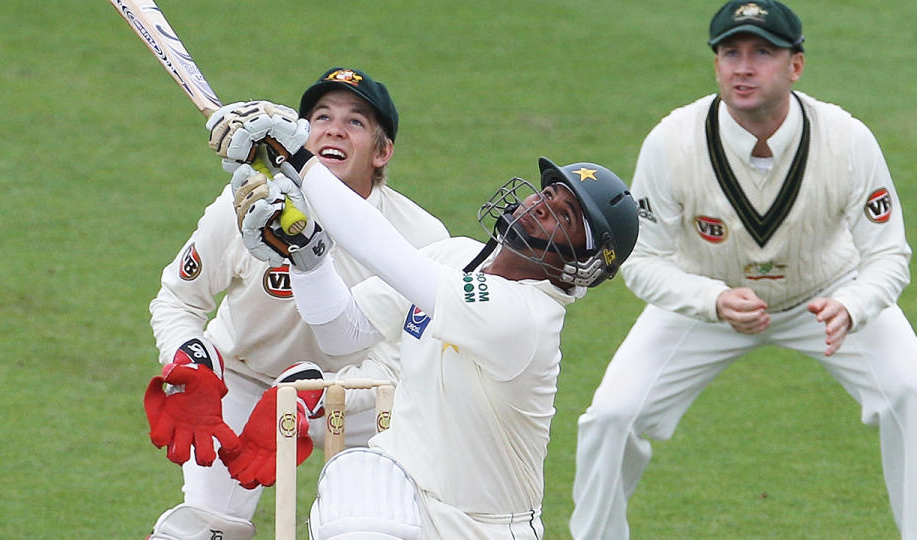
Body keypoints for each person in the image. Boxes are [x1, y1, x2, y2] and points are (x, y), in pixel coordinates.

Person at [569, 1, 917, 538]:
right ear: (716, 63)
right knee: (611, 418)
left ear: (796, 65)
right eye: (730, 52)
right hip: (705, 302)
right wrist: (712, 301)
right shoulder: (672, 142)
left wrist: (853, 306)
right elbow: (643, 260)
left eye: (762, 53)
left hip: (827, 297)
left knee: (911, 393)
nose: (743, 67)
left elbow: (888, 253)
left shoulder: (847, 139)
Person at [221, 131, 639, 537]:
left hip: (480, 527)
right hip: (401, 495)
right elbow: (341, 332)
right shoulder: (456, 255)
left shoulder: (526, 318)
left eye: (564, 216)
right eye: (548, 195)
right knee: (357, 479)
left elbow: (380, 247)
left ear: (579, 264)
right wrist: (307, 255)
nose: (540, 207)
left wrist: (300, 161)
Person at [142, 67, 450, 539]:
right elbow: (178, 299)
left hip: (362, 400)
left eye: (355, 122)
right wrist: (190, 360)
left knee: (369, 529)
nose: (333, 128)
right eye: (321, 117)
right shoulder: (247, 206)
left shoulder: (421, 239)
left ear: (382, 152)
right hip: (244, 382)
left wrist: (307, 402)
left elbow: (404, 367)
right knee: (202, 531)